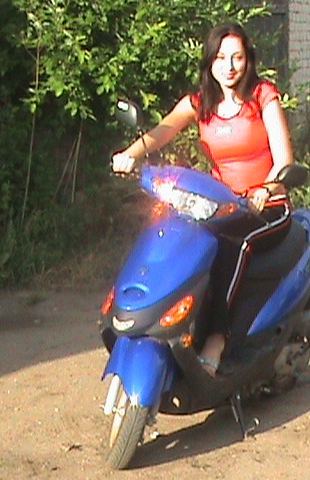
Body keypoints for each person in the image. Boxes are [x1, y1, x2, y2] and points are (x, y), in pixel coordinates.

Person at [112, 22, 295, 376]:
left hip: (267, 208)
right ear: (210, 61)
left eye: (237, 57)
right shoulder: (199, 104)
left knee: (233, 247)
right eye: (221, 58)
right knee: (176, 237)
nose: (229, 67)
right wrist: (130, 155)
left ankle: (216, 340)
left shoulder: (263, 96)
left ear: (248, 60)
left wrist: (265, 189)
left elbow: (284, 160)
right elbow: (161, 132)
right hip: (220, 207)